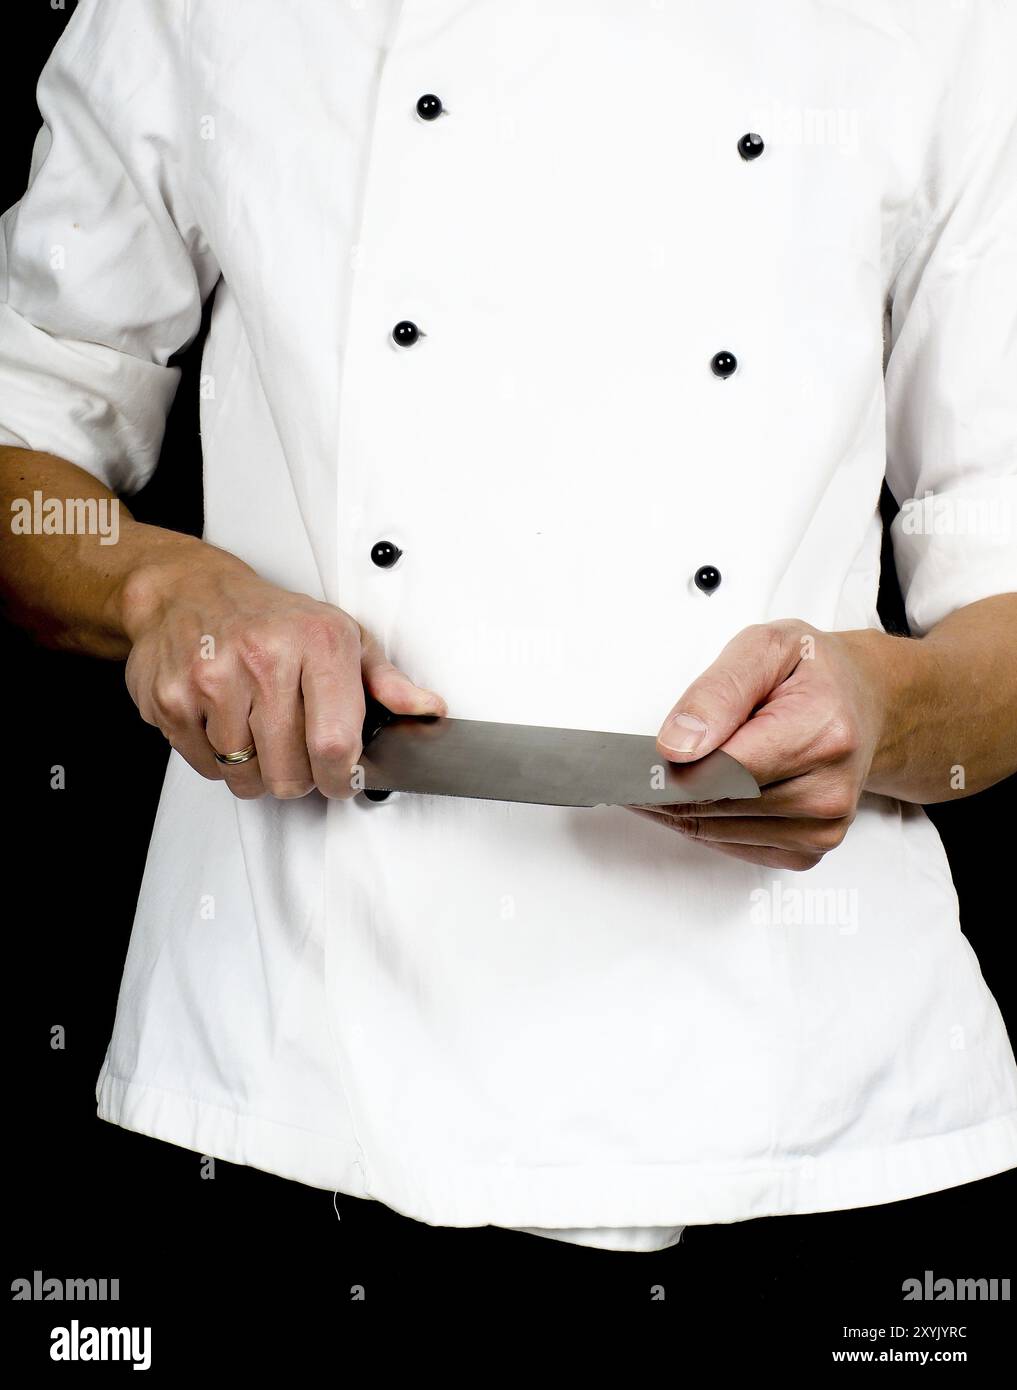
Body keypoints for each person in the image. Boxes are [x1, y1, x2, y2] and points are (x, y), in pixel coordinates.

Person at [1, 0, 1015, 1255]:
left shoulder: (948, 23)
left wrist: (882, 709)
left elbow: (1003, 610)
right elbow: (24, 422)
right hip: (292, 1079)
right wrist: (164, 590)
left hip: (809, 1116)